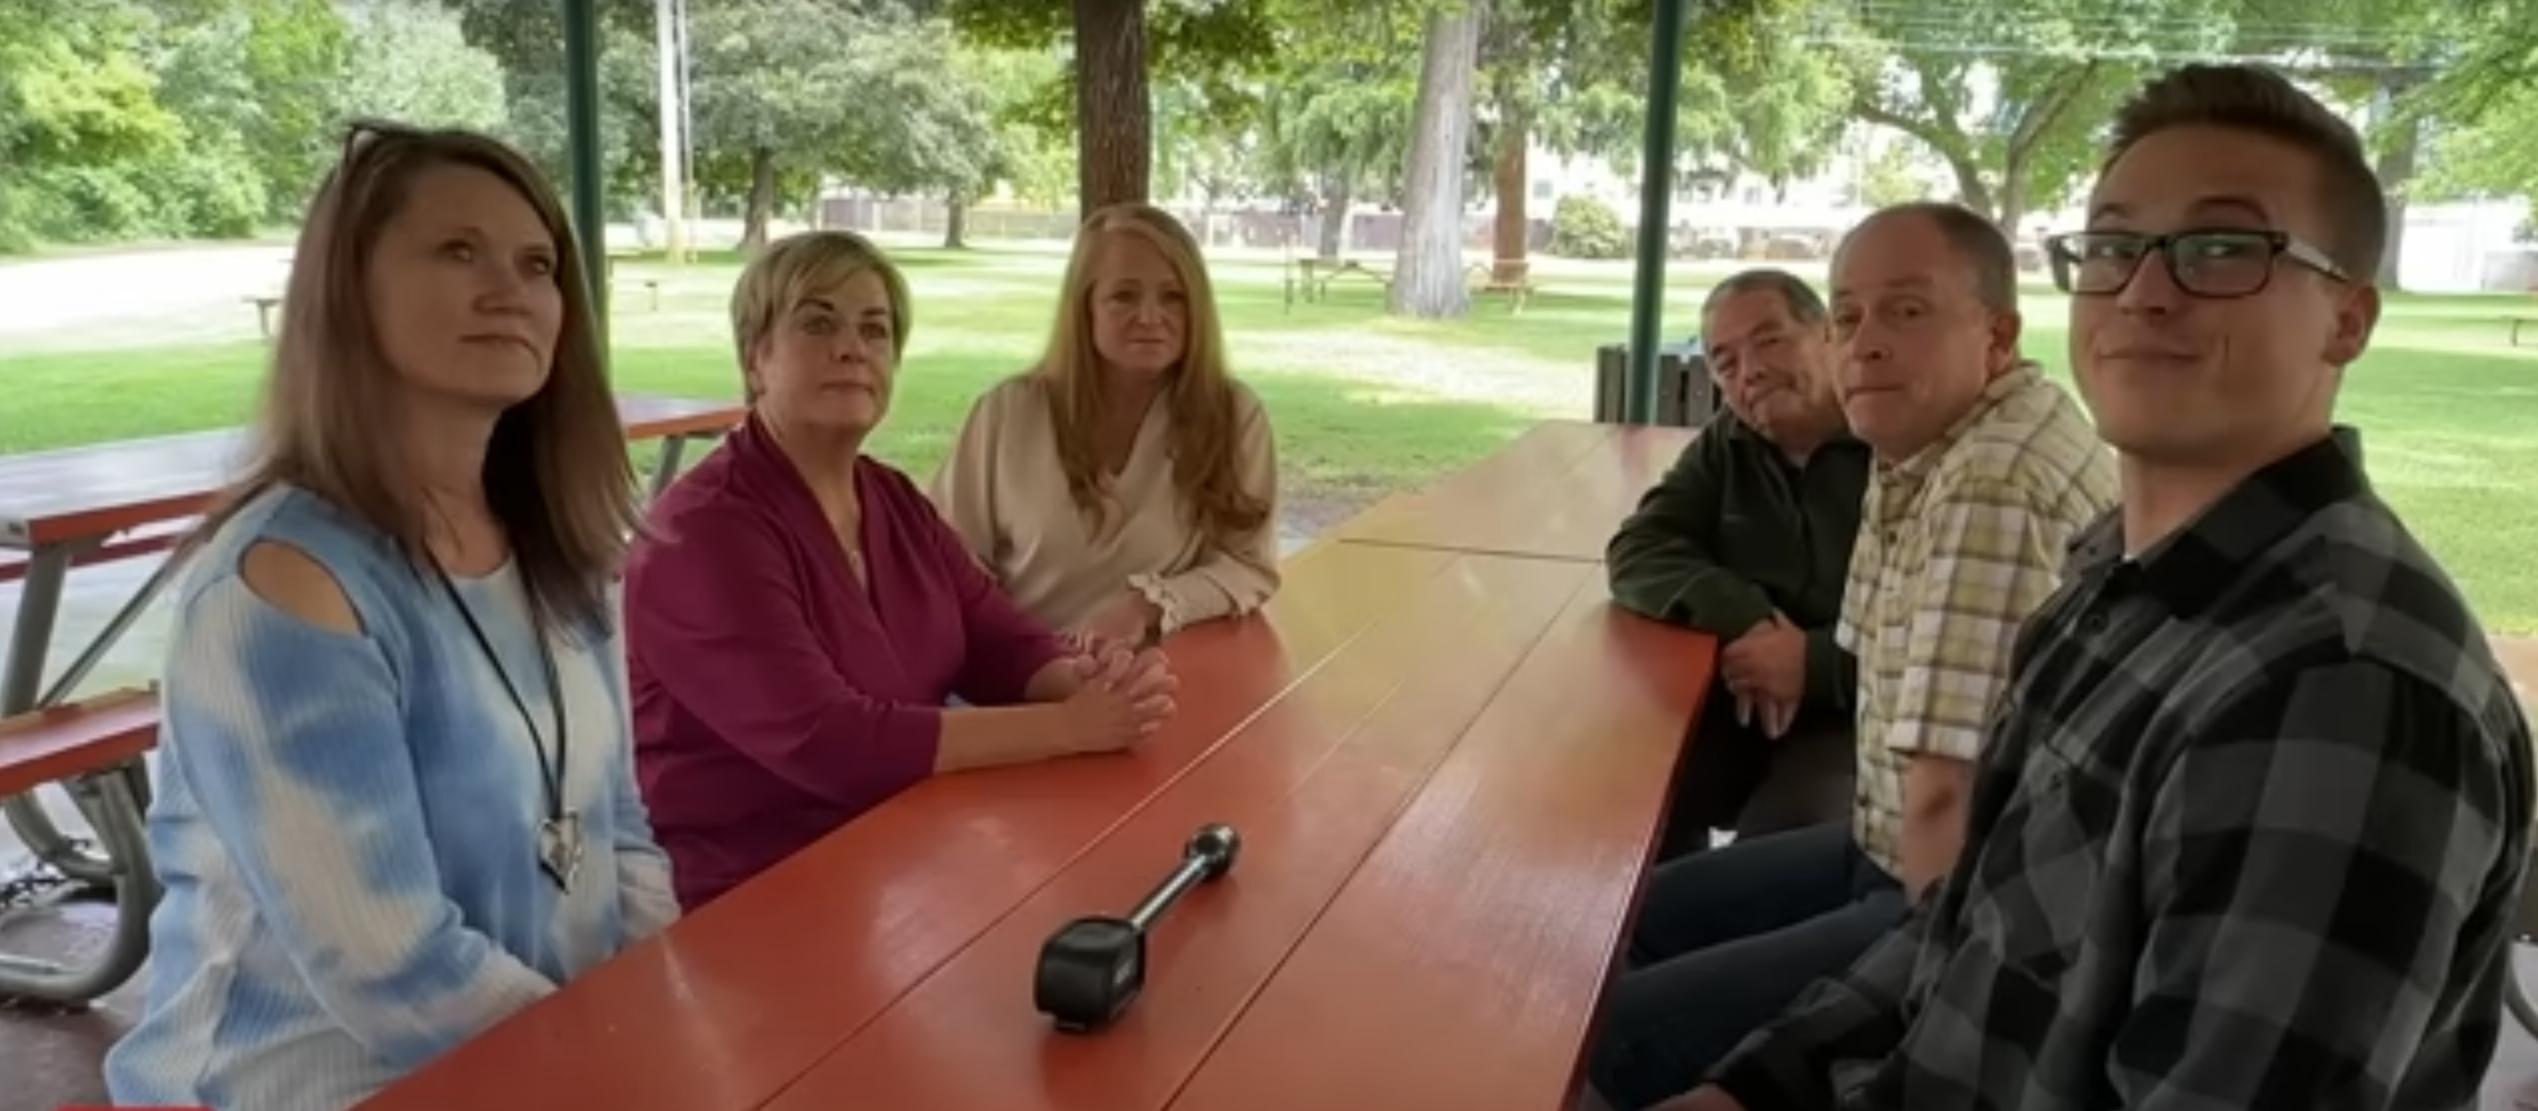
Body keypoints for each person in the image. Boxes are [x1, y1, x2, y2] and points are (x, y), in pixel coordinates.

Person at [1671, 64, 2534, 1111]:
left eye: (2224, 248)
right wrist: (1752, 1085)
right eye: (2115, 245)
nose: (2145, 288)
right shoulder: (2112, 574)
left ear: (2347, 320)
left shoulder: (2344, 686)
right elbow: (1967, 930)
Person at [104, 122, 679, 1109]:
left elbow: (620, 829)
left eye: (537, 263)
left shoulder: (562, 551)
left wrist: (657, 1012)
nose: (510, 288)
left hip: (553, 1062)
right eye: (458, 251)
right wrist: (619, 1068)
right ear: (348, 290)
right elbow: (389, 963)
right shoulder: (281, 584)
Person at [1589, 203, 2117, 1108]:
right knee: (1607, 927)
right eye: (1852, 316)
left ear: (1997, 333)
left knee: (1599, 1027)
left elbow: (1946, 816)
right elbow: (1643, 547)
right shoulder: (1911, 437)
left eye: (1907, 311)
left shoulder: (1987, 477)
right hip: (1879, 829)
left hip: (1948, 898)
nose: (1867, 344)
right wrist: (1752, 621)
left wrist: (1884, 1034)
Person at [625, 230, 1176, 910]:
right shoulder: (702, 532)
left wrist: (1090, 682)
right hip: (749, 895)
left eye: (875, 330)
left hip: (905, 859)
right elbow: (830, 740)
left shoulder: (888, 497)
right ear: (755, 356)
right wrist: (1071, 726)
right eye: (818, 322)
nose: (852, 347)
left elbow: (996, 636)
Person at [932, 203, 1278, 649]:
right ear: (1085, 307)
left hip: (1159, 681)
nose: (1151, 317)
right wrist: (1023, 658)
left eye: (1173, 297)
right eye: (1124, 296)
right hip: (1017, 679)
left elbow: (1249, 564)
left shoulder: (1232, 416)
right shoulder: (1007, 413)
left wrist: (1149, 603)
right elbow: (948, 560)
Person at [1608, 270, 1870, 854]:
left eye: (1770, 341)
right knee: (1623, 787)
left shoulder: (1896, 441)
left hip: (1860, 710)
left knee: (1778, 855)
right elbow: (1640, 548)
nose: (1749, 371)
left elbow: (1953, 636)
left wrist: (1816, 663)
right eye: (1724, 363)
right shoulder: (1731, 442)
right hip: (1743, 688)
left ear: (1828, 334)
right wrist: (1746, 618)